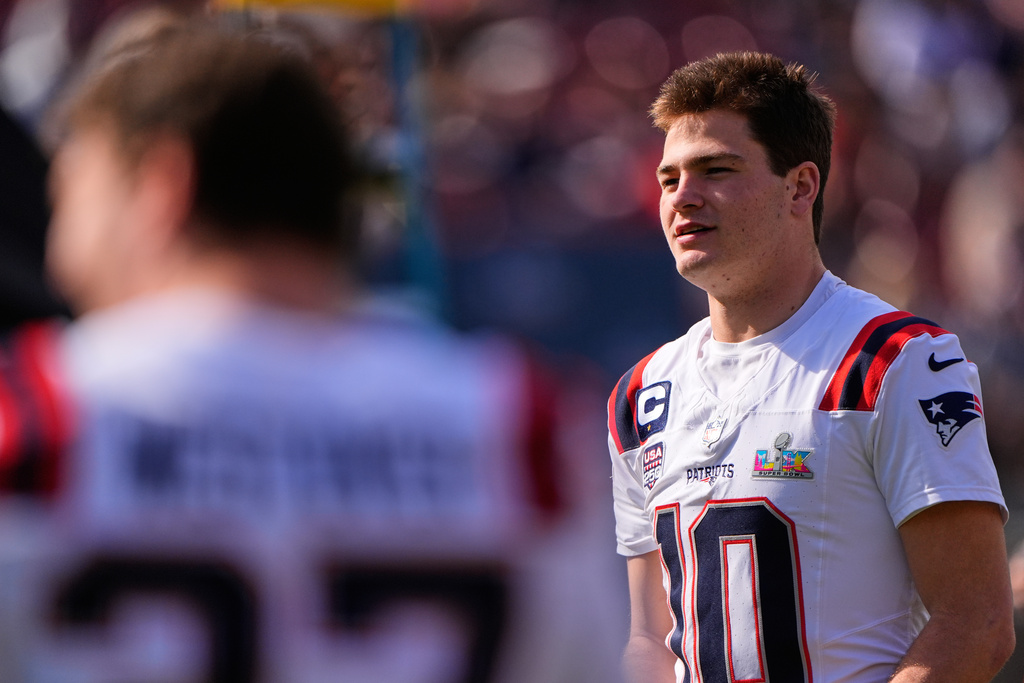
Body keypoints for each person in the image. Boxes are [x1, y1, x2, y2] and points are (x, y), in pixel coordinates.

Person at [0, 18, 624, 683]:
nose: (59, 252)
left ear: (163, 185)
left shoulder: (36, 413)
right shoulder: (521, 427)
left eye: (70, 197)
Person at [607, 51, 1014, 683]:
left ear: (800, 187)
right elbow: (651, 636)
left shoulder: (897, 361)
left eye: (715, 169)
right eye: (668, 179)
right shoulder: (641, 394)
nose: (683, 197)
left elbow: (977, 624)